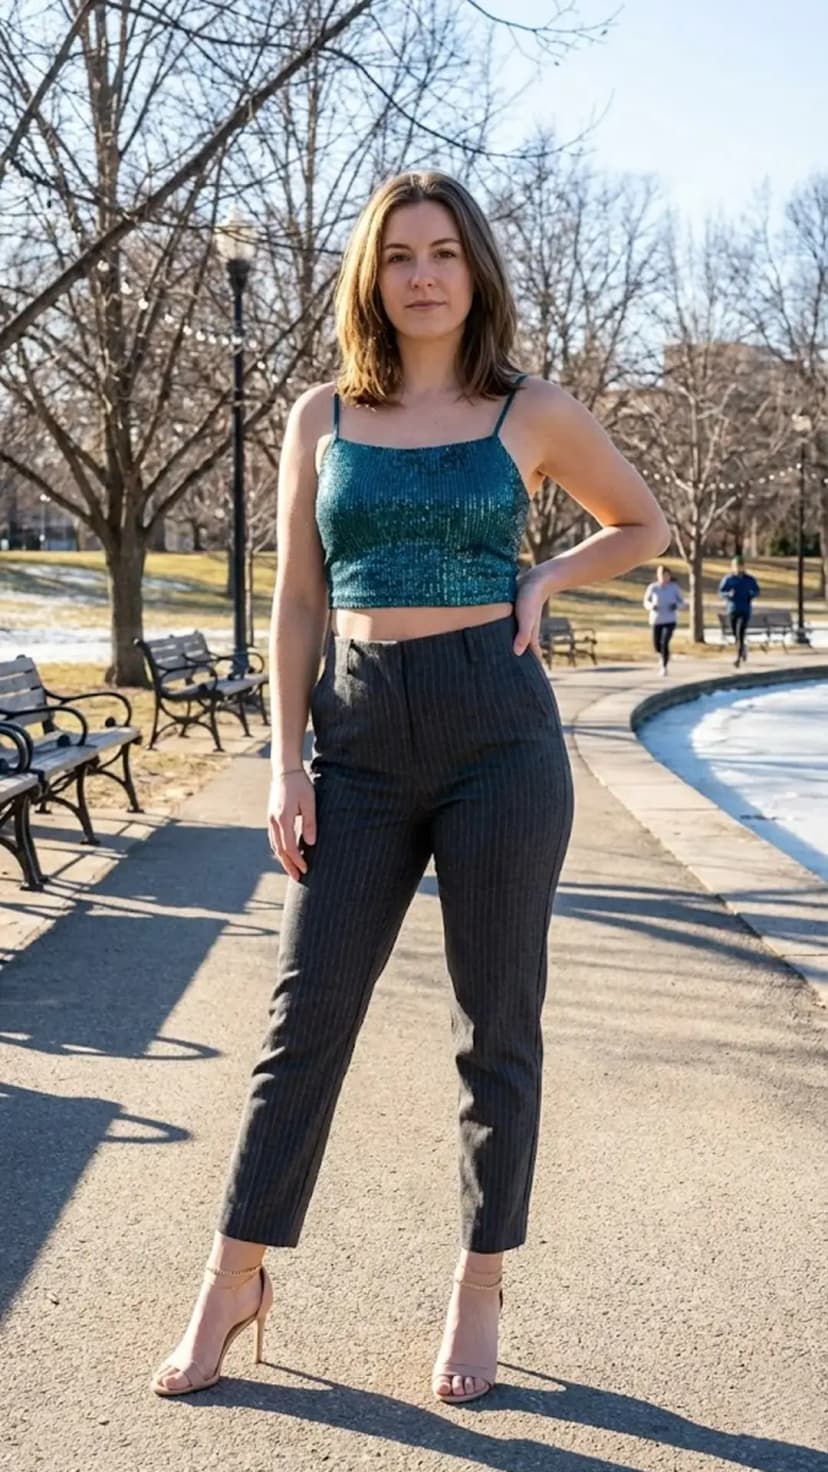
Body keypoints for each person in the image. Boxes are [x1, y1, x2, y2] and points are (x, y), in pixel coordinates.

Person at [150, 169, 669, 1407]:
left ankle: (480, 1281)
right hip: (360, 736)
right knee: (304, 1015)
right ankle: (232, 1278)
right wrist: (285, 759)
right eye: (398, 256)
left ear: (475, 269)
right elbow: (297, 599)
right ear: (370, 277)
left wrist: (543, 577)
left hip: (499, 732)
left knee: (497, 1022)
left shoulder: (532, 409)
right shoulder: (321, 415)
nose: (423, 275)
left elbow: (642, 524)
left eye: (442, 252)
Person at [643, 564, 685, 675]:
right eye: (661, 575)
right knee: (657, 645)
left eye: (666, 575)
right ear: (658, 576)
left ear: (669, 576)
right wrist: (651, 606)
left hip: (670, 620)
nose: (664, 578)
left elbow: (682, 602)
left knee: (665, 642)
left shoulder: (674, 588)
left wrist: (676, 605)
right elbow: (646, 601)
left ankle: (664, 667)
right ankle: (662, 655)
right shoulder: (653, 587)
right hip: (657, 620)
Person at [719, 554, 760, 666]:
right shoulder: (728, 579)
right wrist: (728, 594)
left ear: (743, 567)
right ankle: (743, 649)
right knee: (735, 634)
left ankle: (738, 658)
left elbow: (757, 591)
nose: (738, 568)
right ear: (732, 567)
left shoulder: (749, 579)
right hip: (732, 609)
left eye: (740, 566)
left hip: (744, 610)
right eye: (736, 566)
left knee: (740, 633)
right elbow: (721, 592)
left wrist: (752, 594)